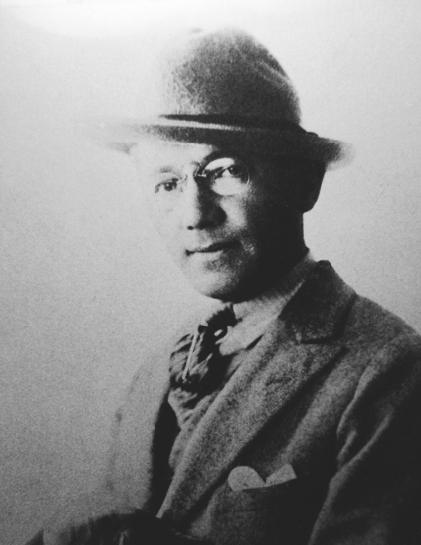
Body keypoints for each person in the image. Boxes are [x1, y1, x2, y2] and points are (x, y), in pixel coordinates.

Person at [28, 27, 421, 545]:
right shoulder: (161, 367)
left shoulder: (387, 371)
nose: (194, 214)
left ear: (305, 183)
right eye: (167, 183)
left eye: (225, 171)